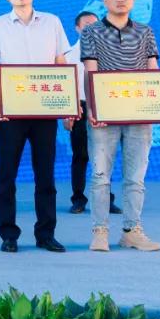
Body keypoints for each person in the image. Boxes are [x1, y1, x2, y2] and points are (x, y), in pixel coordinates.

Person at [0, 0, 71, 253]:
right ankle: (8, 234)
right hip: (11, 111)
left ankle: (46, 234)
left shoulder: (52, 22)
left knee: (45, 175)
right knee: (7, 175)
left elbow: (60, 62)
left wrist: (68, 102)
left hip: (45, 109)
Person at [81, 0, 160, 252]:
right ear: (105, 0)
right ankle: (100, 231)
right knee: (100, 175)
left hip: (139, 113)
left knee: (135, 176)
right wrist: (93, 108)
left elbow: (153, 70)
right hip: (104, 115)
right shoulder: (91, 32)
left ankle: (132, 231)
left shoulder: (145, 32)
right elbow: (90, 72)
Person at [64, 11, 120, 215]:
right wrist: (67, 112)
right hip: (78, 108)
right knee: (80, 155)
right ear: (77, 28)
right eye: (86, 24)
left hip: (103, 107)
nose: (91, 28)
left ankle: (106, 199)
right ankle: (78, 200)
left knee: (104, 156)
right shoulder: (68, 55)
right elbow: (65, 85)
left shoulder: (109, 52)